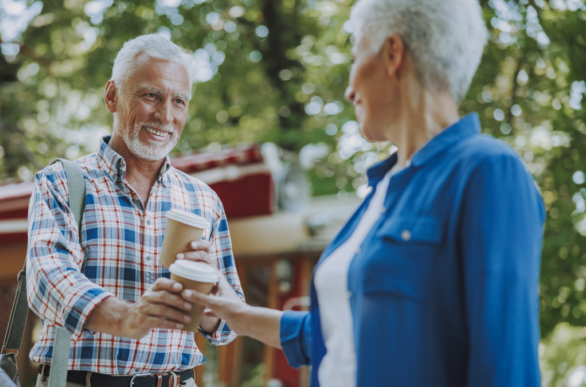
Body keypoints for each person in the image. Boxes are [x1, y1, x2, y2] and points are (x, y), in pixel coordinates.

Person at [182, 0, 545, 386]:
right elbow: (338, 334)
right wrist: (235, 311)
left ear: (392, 54)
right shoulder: (380, 193)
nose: (350, 90)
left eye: (356, 58)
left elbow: (507, 368)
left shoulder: (487, 171)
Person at [26, 34, 244, 387]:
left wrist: (210, 295)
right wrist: (127, 318)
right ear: (112, 96)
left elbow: (228, 326)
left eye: (179, 101)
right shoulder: (63, 182)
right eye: (151, 95)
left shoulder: (203, 201)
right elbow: (46, 280)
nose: (165, 115)